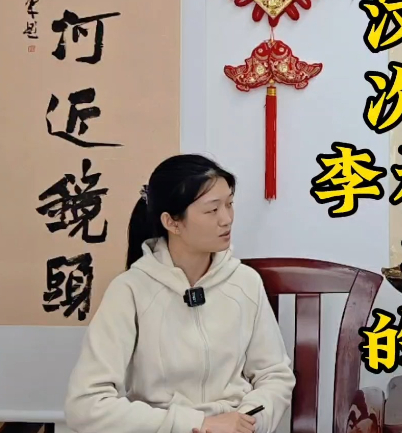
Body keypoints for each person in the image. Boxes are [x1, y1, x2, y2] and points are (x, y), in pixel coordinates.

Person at [64, 154, 296, 433]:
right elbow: (86, 405)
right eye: (212, 210)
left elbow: (275, 375)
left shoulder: (245, 282)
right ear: (172, 222)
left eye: (229, 204)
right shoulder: (129, 291)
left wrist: (247, 421)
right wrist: (197, 425)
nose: (227, 219)